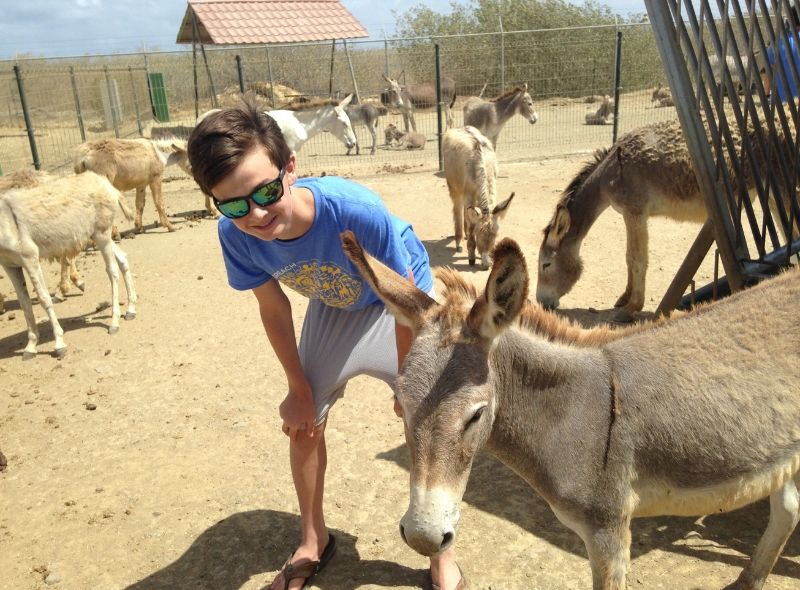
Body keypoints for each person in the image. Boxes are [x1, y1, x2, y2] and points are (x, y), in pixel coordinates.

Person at [187, 95, 465, 590]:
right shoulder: (236, 236)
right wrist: (298, 388)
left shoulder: (354, 211)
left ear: (289, 168)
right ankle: (313, 540)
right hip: (335, 304)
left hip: (399, 301)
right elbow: (274, 307)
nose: (255, 213)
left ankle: (441, 551)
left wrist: (410, 385)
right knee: (304, 422)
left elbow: (401, 300)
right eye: (232, 203)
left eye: (265, 191)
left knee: (428, 421)